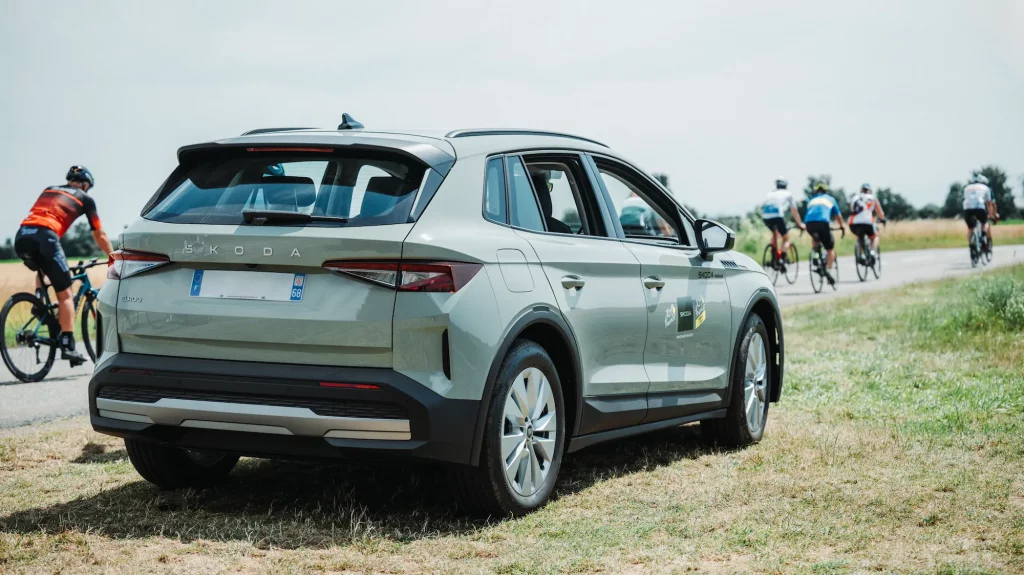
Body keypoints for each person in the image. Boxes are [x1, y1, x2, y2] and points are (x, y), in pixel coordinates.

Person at [14, 166, 115, 366]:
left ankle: (39, 303)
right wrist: (112, 256)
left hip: (22, 236)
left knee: (43, 267)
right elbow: (99, 234)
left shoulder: (50, 189)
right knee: (66, 294)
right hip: (46, 237)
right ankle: (68, 346)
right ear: (85, 184)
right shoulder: (85, 199)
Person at [803, 182, 846, 285]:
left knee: (815, 238)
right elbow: (838, 216)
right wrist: (842, 226)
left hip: (809, 224)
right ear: (826, 191)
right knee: (830, 249)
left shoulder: (811, 200)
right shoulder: (830, 199)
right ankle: (828, 270)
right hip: (822, 223)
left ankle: (815, 256)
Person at [761, 178, 805, 266]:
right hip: (777, 216)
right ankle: (781, 258)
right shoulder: (788, 194)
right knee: (785, 238)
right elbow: (794, 211)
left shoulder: (771, 193)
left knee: (775, 234)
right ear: (786, 186)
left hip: (765, 216)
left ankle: (773, 256)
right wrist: (800, 224)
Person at [848, 183, 886, 260]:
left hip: (853, 223)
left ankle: (859, 254)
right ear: (870, 191)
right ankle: (872, 252)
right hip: (867, 222)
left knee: (859, 236)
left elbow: (852, 210)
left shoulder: (855, 198)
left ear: (861, 190)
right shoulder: (872, 198)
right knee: (874, 236)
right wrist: (882, 219)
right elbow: (880, 212)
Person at [962, 174, 998, 252]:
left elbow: (965, 199)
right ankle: (983, 234)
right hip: (979, 207)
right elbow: (989, 203)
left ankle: (971, 245)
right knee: (985, 222)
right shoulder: (986, 188)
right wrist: (991, 215)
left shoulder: (967, 188)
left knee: (970, 228)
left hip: (967, 208)